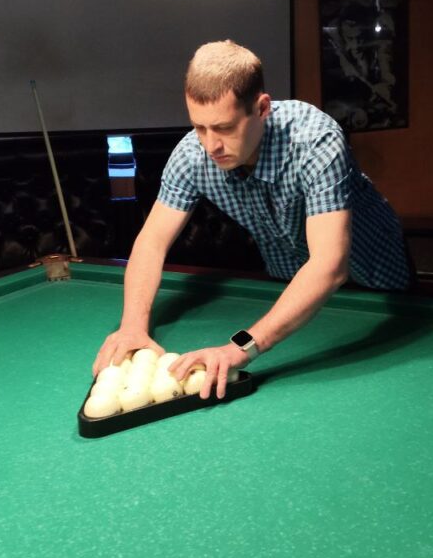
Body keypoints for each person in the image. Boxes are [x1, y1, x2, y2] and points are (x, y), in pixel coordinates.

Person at [91, 41, 411, 399]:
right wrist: (133, 326)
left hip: (377, 282)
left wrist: (238, 348)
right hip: (290, 287)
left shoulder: (316, 141)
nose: (211, 145)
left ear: (261, 108)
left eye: (224, 128)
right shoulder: (192, 156)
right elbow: (152, 241)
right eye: (199, 127)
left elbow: (330, 264)